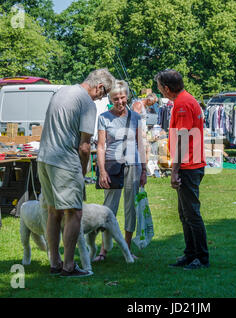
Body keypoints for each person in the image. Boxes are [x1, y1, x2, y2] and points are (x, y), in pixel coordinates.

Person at [37, 68, 115, 277]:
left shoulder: (62, 91)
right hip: (64, 161)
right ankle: (69, 266)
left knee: (53, 212)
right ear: (99, 87)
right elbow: (84, 146)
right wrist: (81, 171)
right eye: (104, 93)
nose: (103, 98)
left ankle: (55, 263)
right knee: (74, 213)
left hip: (44, 158)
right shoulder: (87, 104)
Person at [155, 69, 209, 270]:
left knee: (191, 214)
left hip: (189, 166)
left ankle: (201, 258)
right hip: (190, 164)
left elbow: (182, 140)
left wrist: (175, 170)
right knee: (185, 213)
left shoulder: (183, 104)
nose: (159, 90)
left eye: (160, 87)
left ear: (167, 88)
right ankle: (190, 254)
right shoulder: (184, 101)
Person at [95, 80, 147, 261]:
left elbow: (141, 145)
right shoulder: (103, 117)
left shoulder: (136, 117)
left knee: (130, 208)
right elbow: (101, 146)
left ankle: (127, 248)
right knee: (108, 209)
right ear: (110, 99)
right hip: (112, 165)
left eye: (122, 97)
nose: (120, 101)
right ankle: (104, 250)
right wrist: (102, 171)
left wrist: (144, 170)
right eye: (116, 98)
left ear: (127, 96)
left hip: (133, 165)